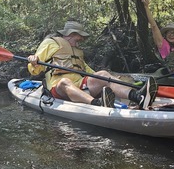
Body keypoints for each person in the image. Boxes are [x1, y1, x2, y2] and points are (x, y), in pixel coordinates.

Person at [27, 20, 157, 109]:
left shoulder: (77, 51)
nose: (82, 40)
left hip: (80, 86)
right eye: (79, 37)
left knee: (103, 74)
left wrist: (109, 80)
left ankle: (138, 97)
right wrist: (34, 62)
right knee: (65, 81)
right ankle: (97, 104)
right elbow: (35, 70)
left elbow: (88, 71)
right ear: (71, 34)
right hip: (58, 88)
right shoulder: (50, 43)